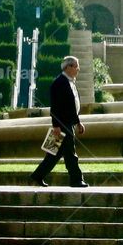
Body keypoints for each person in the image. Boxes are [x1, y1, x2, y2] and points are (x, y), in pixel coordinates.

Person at [30, 56, 87, 187]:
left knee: (52, 153)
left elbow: (73, 106)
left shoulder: (71, 82)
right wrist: (55, 126)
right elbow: (55, 107)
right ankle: (76, 180)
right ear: (68, 67)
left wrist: (78, 122)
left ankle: (37, 176)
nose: (78, 69)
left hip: (68, 123)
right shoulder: (59, 83)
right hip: (62, 124)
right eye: (76, 66)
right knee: (70, 154)